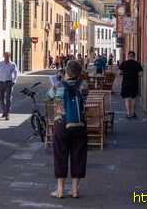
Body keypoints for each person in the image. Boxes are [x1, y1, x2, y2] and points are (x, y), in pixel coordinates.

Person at [48, 59, 88, 198]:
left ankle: (59, 190)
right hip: (79, 124)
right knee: (79, 155)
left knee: (60, 155)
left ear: (66, 71)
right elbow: (84, 99)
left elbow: (49, 97)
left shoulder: (58, 86)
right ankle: (75, 190)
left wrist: (59, 80)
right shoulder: (83, 85)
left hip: (61, 124)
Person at [119, 51, 144, 119]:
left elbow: (120, 72)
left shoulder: (124, 63)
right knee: (133, 99)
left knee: (127, 99)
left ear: (128, 56)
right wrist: (135, 74)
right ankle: (133, 113)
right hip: (134, 83)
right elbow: (141, 74)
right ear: (134, 56)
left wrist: (125, 73)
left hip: (126, 83)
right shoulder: (137, 64)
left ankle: (128, 114)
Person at [0, 51, 19, 120]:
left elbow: (16, 73)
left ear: (10, 56)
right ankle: (4, 111)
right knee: (1, 98)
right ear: (3, 56)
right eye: (5, 56)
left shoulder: (12, 64)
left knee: (8, 98)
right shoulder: (0, 64)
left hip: (9, 83)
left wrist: (14, 81)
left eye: (8, 56)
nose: (6, 57)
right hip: (1, 83)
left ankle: (7, 113)